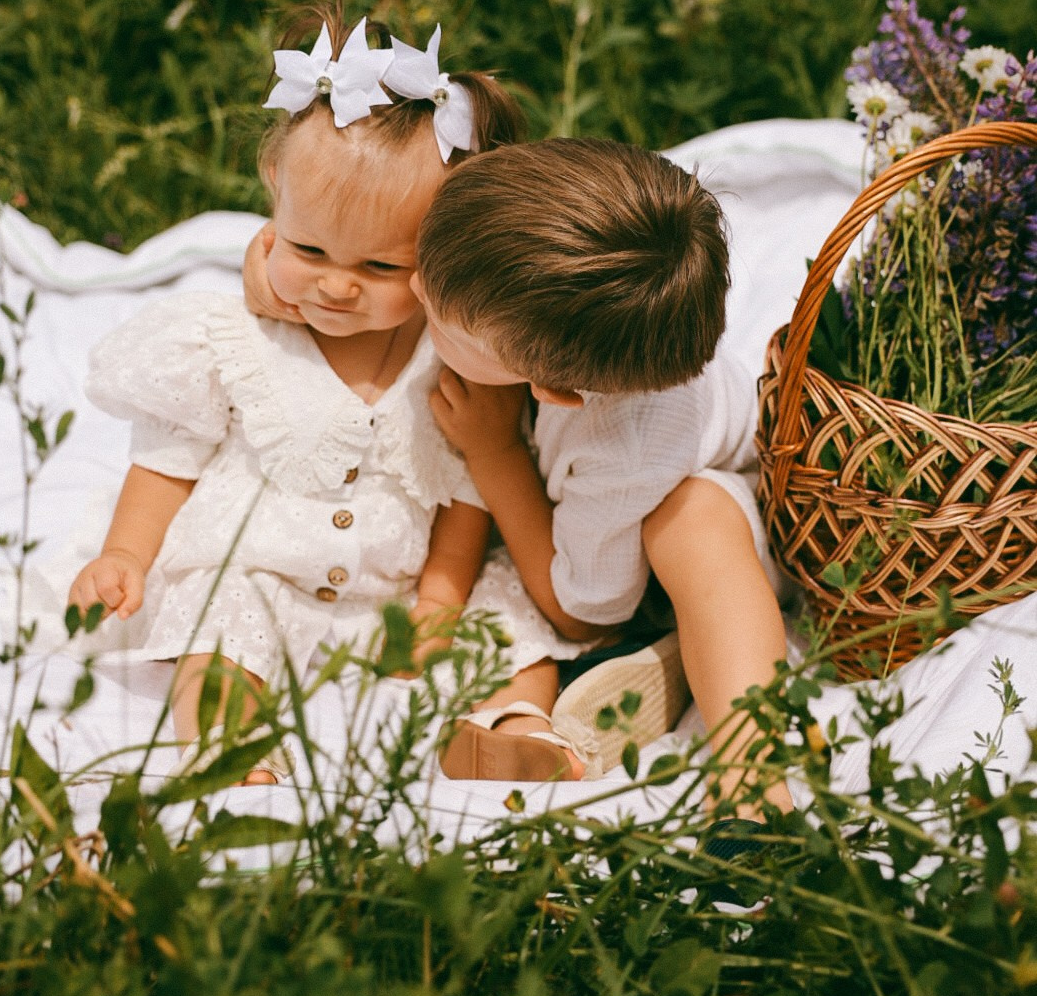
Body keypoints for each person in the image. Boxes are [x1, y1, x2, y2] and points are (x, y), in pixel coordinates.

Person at [67, 5, 597, 786]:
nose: (338, 286)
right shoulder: (230, 338)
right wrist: (125, 552)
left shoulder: (452, 353)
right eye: (310, 250)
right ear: (273, 194)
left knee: (505, 620)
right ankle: (225, 744)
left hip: (401, 588)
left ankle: (509, 726)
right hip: (260, 568)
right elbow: (167, 457)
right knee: (219, 622)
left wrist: (442, 599)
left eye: (383, 269)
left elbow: (462, 488)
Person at [245, 134, 792, 814]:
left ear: (550, 391)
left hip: (700, 543)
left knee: (693, 516)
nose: (414, 287)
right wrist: (268, 273)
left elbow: (582, 607)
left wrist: (494, 453)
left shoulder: (623, 442)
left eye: (439, 320)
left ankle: (754, 783)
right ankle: (598, 689)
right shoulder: (518, 276)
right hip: (589, 519)